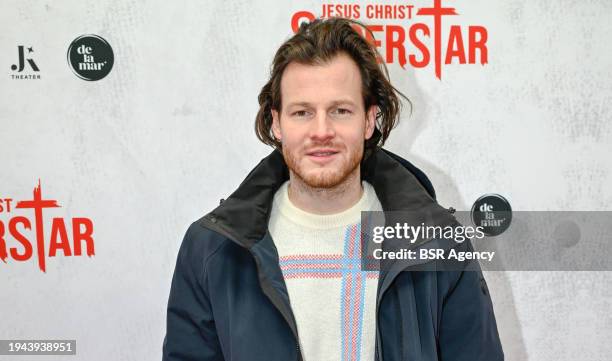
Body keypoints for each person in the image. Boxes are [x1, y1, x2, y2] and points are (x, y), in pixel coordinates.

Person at [163, 17, 503, 361]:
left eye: (340, 110)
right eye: (302, 113)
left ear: (369, 120)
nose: (321, 131)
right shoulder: (212, 249)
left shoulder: (438, 242)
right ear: (276, 122)